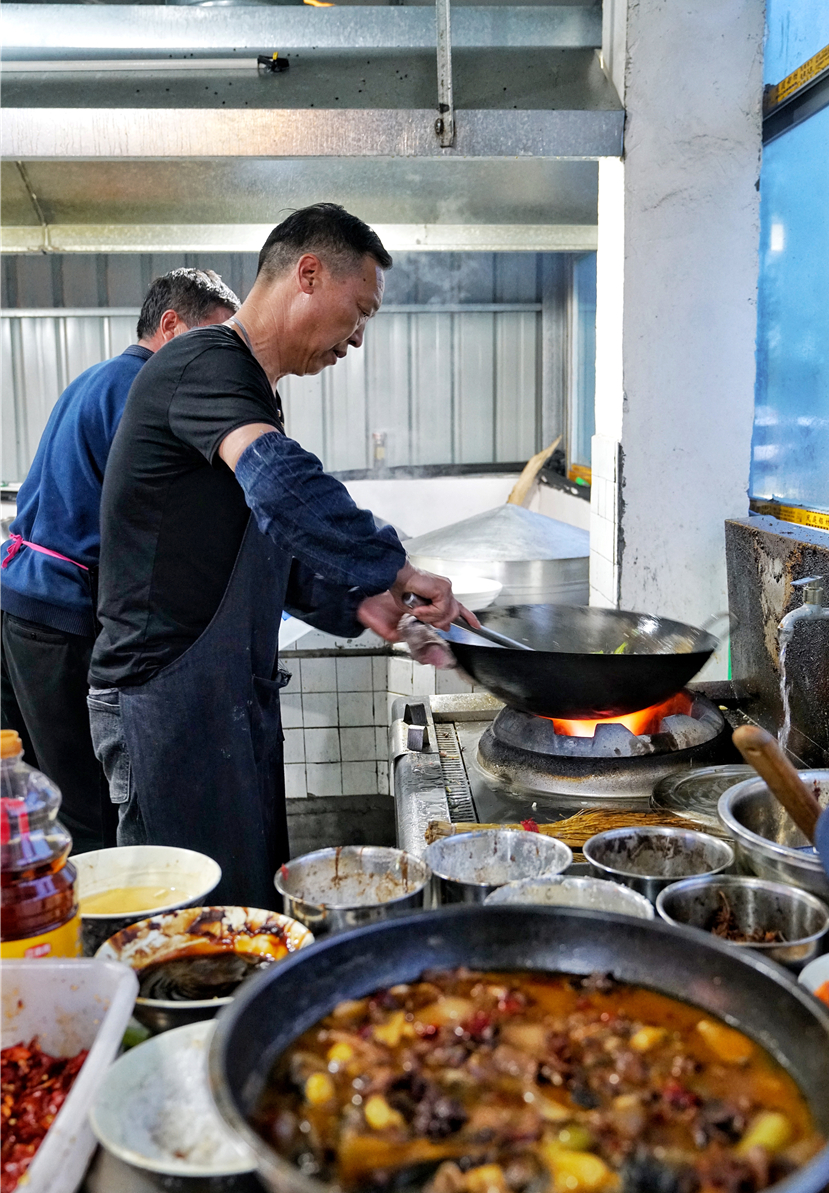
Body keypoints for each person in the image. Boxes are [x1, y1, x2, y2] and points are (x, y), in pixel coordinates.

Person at [87, 204, 475, 909]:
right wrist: (394, 566)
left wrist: (357, 601)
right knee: (196, 930)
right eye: (359, 311)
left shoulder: (249, 389)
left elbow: (266, 544)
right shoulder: (201, 362)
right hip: (164, 708)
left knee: (250, 910)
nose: (358, 338)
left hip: (226, 702)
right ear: (307, 273)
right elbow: (279, 481)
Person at [1, 269, 240, 853]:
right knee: (86, 808)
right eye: (212, 338)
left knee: (38, 793)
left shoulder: (94, 379)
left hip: (20, 602)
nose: (218, 361)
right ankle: (92, 939)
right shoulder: (142, 390)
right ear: (170, 325)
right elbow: (145, 529)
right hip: (58, 616)